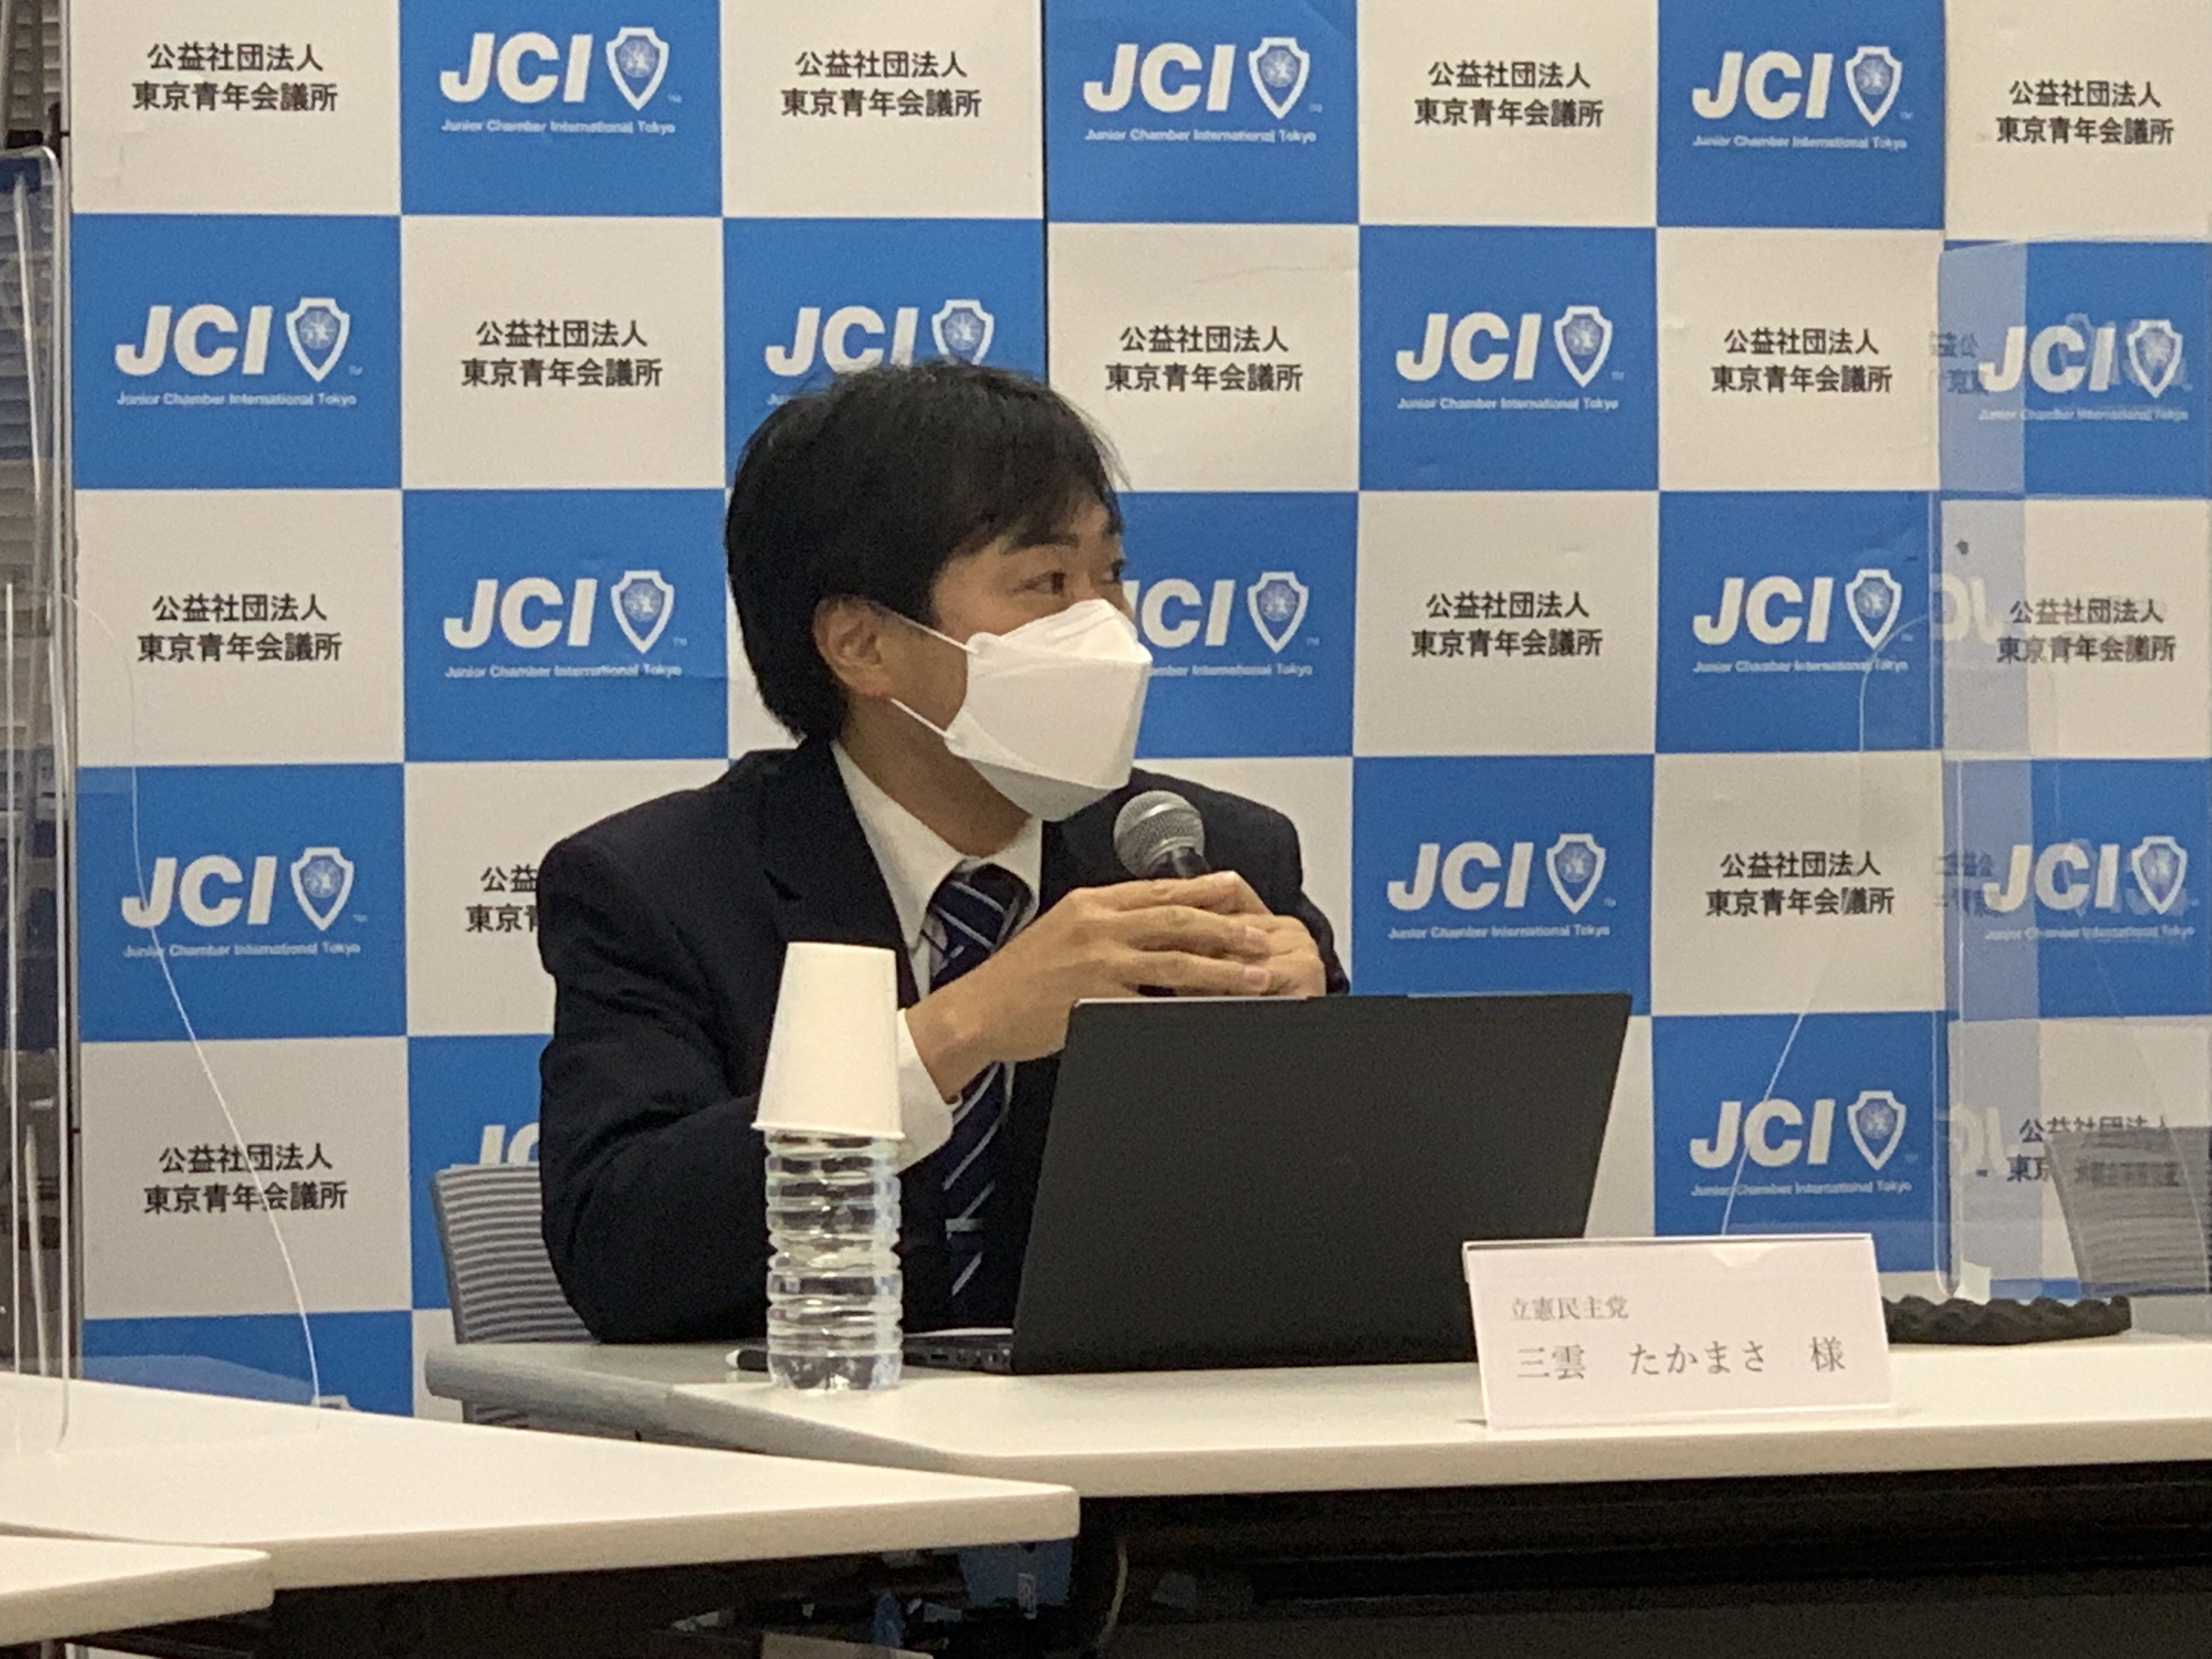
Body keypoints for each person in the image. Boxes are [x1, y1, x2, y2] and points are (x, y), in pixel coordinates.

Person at [535, 362, 1347, 1341]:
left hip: (1130, 1428)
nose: (1106, 627)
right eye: (1047, 584)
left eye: (1111, 576)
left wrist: (1306, 1064)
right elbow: (619, 1252)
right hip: (815, 1424)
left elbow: (1355, 1247)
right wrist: (958, 1031)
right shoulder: (660, 888)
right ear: (861, 644)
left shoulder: (1206, 859)